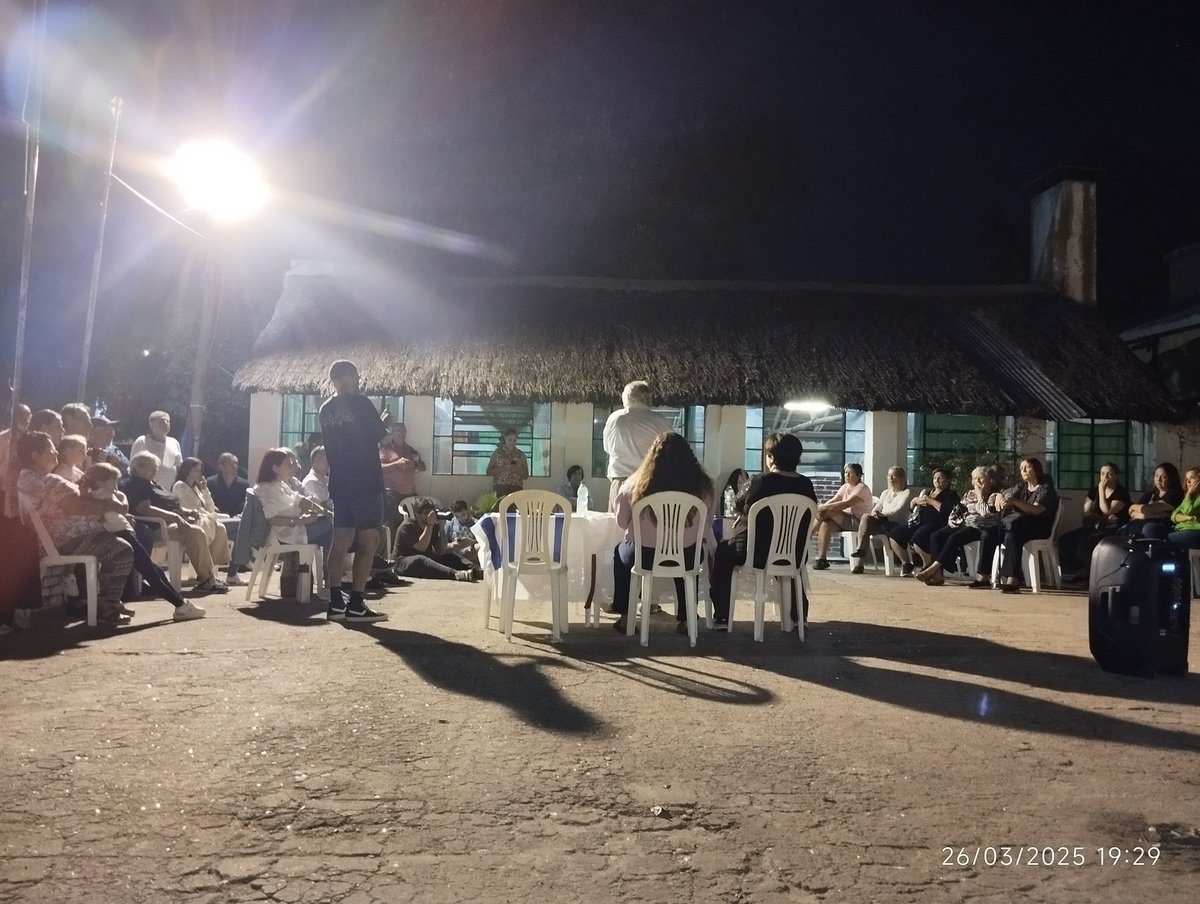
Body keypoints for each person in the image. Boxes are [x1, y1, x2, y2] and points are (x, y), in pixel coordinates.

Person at [16, 431, 136, 625]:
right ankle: (108, 605)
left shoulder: (29, 479)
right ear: (35, 455)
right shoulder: (45, 481)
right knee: (122, 551)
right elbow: (78, 506)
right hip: (64, 541)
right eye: (50, 449)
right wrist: (114, 505)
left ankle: (105, 603)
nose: (56, 452)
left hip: (66, 539)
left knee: (120, 543)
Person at [708, 432, 816, 630]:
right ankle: (798, 616)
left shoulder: (759, 481)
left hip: (757, 552)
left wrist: (747, 512)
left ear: (771, 457)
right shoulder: (806, 484)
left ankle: (722, 617)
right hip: (795, 552)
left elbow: (738, 504)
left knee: (723, 554)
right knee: (791, 568)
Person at [611, 432, 715, 635]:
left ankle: (625, 617)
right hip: (686, 556)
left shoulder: (635, 483)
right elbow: (706, 526)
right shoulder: (704, 487)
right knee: (688, 561)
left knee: (619, 553)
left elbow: (622, 522)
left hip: (643, 556)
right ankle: (687, 618)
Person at [80, 462, 205, 620]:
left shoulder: (103, 496)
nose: (116, 485)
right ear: (99, 482)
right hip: (122, 533)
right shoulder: (101, 496)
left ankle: (181, 603)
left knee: (153, 569)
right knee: (150, 571)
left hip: (125, 532)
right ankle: (180, 605)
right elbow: (122, 508)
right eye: (112, 481)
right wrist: (116, 498)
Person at [318, 359, 391, 622]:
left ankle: (336, 601)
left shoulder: (325, 410)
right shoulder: (361, 403)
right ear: (354, 377)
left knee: (340, 541)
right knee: (369, 541)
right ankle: (357, 603)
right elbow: (383, 439)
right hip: (366, 481)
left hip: (340, 483)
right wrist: (383, 423)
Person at [123, 451, 229, 594]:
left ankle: (210, 572)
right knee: (195, 532)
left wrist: (186, 511)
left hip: (174, 521)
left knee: (216, 527)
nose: (156, 470)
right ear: (138, 468)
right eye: (152, 467)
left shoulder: (152, 483)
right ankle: (206, 578)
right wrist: (175, 517)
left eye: (156, 467)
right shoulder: (136, 484)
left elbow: (170, 504)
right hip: (159, 526)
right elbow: (145, 509)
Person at [251, 448, 333, 592]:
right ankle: (330, 582)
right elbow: (272, 519)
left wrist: (325, 512)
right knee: (335, 531)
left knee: (333, 527)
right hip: (287, 533)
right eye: (287, 464)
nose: (291, 467)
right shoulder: (266, 489)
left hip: (299, 526)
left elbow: (301, 501)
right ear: (275, 468)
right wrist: (300, 521)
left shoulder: (282, 485)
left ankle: (329, 581)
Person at [916, 466, 1002, 587]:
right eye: (974, 479)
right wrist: (953, 522)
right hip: (965, 524)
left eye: (981, 478)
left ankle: (933, 568)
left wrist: (980, 496)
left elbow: (985, 513)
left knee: (954, 538)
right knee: (937, 535)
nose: (977, 482)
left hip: (982, 527)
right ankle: (938, 575)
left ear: (990, 481)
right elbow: (957, 510)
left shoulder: (994, 496)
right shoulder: (968, 495)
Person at [602, 380, 675, 511]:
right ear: (648, 398)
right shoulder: (661, 421)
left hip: (621, 481)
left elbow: (607, 448)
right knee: (649, 528)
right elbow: (671, 452)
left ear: (627, 397)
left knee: (616, 528)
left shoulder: (615, 419)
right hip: (649, 482)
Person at [992, 457, 1059, 593]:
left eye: (1027, 467)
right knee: (1006, 534)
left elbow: (1036, 510)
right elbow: (1005, 494)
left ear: (1036, 470)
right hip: (1021, 527)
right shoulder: (1021, 487)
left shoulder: (1045, 489)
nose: (1023, 470)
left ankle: (1012, 578)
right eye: (1021, 468)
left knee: (1013, 533)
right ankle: (1011, 579)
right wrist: (1000, 497)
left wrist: (1014, 502)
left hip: (1039, 527)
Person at [1059, 462, 1131, 581]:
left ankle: (1088, 572)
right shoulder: (1093, 491)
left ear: (1116, 476)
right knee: (1065, 540)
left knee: (1089, 540)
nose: (1105, 477)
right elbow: (1087, 512)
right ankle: (1080, 569)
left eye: (1109, 474)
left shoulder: (1121, 493)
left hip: (1113, 529)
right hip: (1093, 526)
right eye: (1102, 474)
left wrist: (1102, 491)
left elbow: (1107, 510)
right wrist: (1100, 517)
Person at [888, 468, 959, 576]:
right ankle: (906, 564)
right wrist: (914, 501)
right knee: (895, 534)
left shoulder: (950, 494)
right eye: (935, 478)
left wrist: (931, 501)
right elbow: (912, 509)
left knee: (919, 536)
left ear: (948, 480)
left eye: (940, 478)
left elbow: (948, 511)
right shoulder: (928, 492)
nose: (937, 480)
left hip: (937, 523)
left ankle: (927, 564)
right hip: (919, 521)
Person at [392, 497, 477, 581]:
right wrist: (429, 525)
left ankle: (477, 570)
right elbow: (421, 547)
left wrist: (441, 528)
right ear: (417, 514)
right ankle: (455, 574)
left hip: (425, 558)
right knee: (420, 559)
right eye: (426, 513)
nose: (430, 515)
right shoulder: (407, 526)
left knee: (451, 556)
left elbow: (440, 550)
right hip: (403, 562)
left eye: (431, 512)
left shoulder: (433, 525)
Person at [849, 465, 912, 574]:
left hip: (895, 523)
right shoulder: (885, 493)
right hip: (882, 521)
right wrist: (875, 513)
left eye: (894, 475)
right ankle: (860, 553)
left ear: (901, 477)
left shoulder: (906, 493)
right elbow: (876, 507)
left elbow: (897, 511)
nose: (891, 478)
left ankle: (860, 561)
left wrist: (881, 514)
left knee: (867, 524)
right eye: (889, 476)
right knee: (866, 517)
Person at [172, 457, 232, 569]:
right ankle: (207, 566)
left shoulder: (198, 488)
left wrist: (205, 490)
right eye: (197, 470)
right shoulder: (179, 486)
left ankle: (212, 563)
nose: (200, 473)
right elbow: (187, 506)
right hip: (192, 518)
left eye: (200, 470)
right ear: (188, 471)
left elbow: (210, 508)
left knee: (221, 528)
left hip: (205, 515)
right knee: (217, 526)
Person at [812, 463, 873, 569]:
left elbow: (845, 504)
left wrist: (822, 508)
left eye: (850, 473)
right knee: (825, 524)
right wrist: (824, 506)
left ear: (858, 475)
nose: (847, 475)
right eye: (845, 472)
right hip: (843, 520)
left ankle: (807, 534)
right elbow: (834, 500)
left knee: (827, 512)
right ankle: (822, 559)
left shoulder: (862, 488)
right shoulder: (845, 487)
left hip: (858, 522)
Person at [380, 421, 426, 536]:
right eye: (398, 431)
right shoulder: (385, 449)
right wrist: (397, 464)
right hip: (392, 493)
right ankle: (392, 550)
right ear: (392, 433)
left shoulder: (410, 450)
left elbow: (423, 466)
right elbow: (379, 468)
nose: (401, 433)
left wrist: (414, 464)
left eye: (403, 431)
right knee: (394, 524)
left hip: (410, 493)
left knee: (417, 520)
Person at [1122, 462, 1183, 540]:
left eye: (1163, 477)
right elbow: (1131, 512)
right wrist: (1142, 515)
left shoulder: (1175, 494)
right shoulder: (1151, 494)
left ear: (1172, 479)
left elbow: (1147, 509)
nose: (1158, 480)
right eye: (1156, 476)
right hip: (1141, 523)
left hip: (1161, 527)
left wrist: (1134, 507)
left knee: (1147, 528)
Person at [131, 411, 183, 492]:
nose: (166, 423)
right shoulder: (142, 441)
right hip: (147, 491)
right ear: (152, 424)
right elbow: (133, 468)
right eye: (162, 421)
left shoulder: (174, 442)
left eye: (168, 421)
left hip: (169, 493)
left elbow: (179, 467)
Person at [486, 428, 529, 501]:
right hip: (500, 488)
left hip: (516, 488)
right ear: (505, 438)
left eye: (514, 440)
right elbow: (488, 472)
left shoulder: (521, 455)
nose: (512, 443)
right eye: (510, 440)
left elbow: (525, 475)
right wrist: (504, 468)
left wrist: (517, 469)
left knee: (514, 511)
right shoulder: (497, 453)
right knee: (500, 511)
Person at [207, 452, 251, 518]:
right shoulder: (210, 483)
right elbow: (207, 503)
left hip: (237, 520)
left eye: (236, 463)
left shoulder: (244, 485)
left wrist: (242, 514)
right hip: (217, 519)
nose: (234, 466)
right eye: (231, 464)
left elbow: (248, 505)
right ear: (221, 466)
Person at [1166, 467, 1200, 549]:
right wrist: (1188, 518)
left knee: (1165, 539)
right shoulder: (1189, 498)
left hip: (1195, 531)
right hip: (1180, 529)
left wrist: (1188, 495)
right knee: (1152, 529)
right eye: (1187, 479)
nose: (1188, 482)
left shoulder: (1191, 498)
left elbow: (1189, 511)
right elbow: (1174, 516)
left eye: (1192, 478)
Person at [0, 402, 32, 480]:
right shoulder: (2, 438)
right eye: (21, 415)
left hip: (29, 486)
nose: (25, 418)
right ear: (12, 416)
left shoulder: (34, 438)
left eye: (27, 414)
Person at [445, 499, 480, 565]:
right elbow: (442, 544)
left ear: (468, 510)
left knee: (480, 547)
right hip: (455, 553)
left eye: (463, 514)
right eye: (457, 516)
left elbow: (485, 542)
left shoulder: (476, 524)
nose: (460, 518)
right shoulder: (450, 524)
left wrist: (471, 542)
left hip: (471, 552)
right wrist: (452, 545)